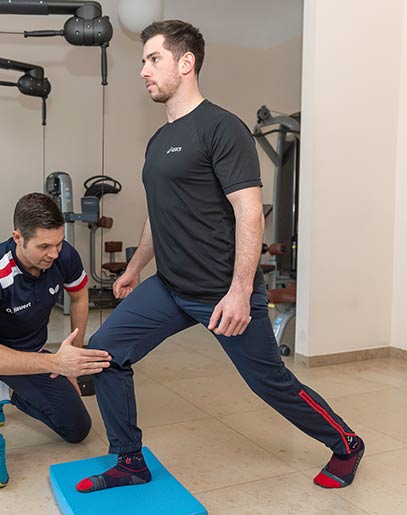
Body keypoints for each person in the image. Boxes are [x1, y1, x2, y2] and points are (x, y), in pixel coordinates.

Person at [75, 20, 364, 494]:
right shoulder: (157, 142)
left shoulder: (222, 128)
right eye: (143, 61)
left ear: (185, 63)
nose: (143, 70)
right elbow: (158, 214)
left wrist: (238, 291)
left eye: (153, 60)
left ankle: (346, 443)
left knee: (270, 383)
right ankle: (128, 460)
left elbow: (250, 213)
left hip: (223, 292)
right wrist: (134, 267)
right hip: (170, 287)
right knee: (106, 356)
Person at [0, 192, 111, 489]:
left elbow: (78, 296)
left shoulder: (63, 256)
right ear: (18, 237)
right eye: (44, 246)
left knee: (77, 429)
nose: (54, 253)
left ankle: (6, 393)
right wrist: (56, 362)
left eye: (58, 243)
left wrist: (73, 357)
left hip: (30, 352)